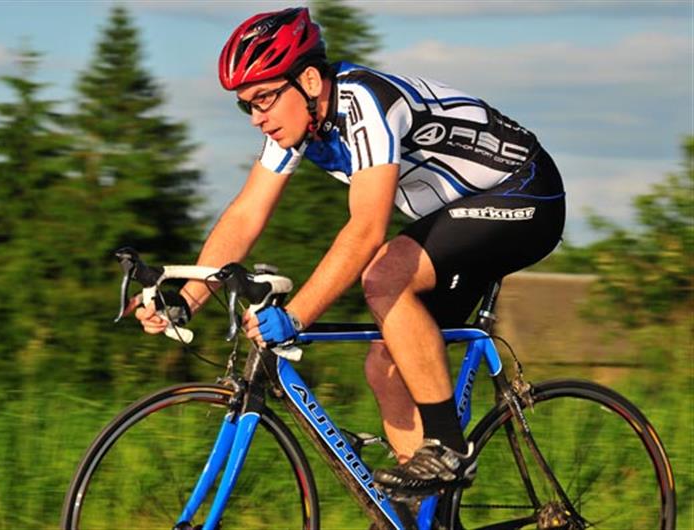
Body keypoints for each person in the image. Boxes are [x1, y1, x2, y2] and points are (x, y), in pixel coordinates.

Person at [133, 7, 565, 498]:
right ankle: (420, 516)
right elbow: (247, 214)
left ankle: (449, 448)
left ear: (309, 81)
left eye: (264, 98)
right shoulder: (299, 124)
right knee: (385, 367)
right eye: (246, 105)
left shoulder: (365, 103)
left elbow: (366, 230)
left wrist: (296, 316)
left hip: (526, 194)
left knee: (384, 276)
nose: (257, 118)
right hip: (460, 213)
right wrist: (187, 299)